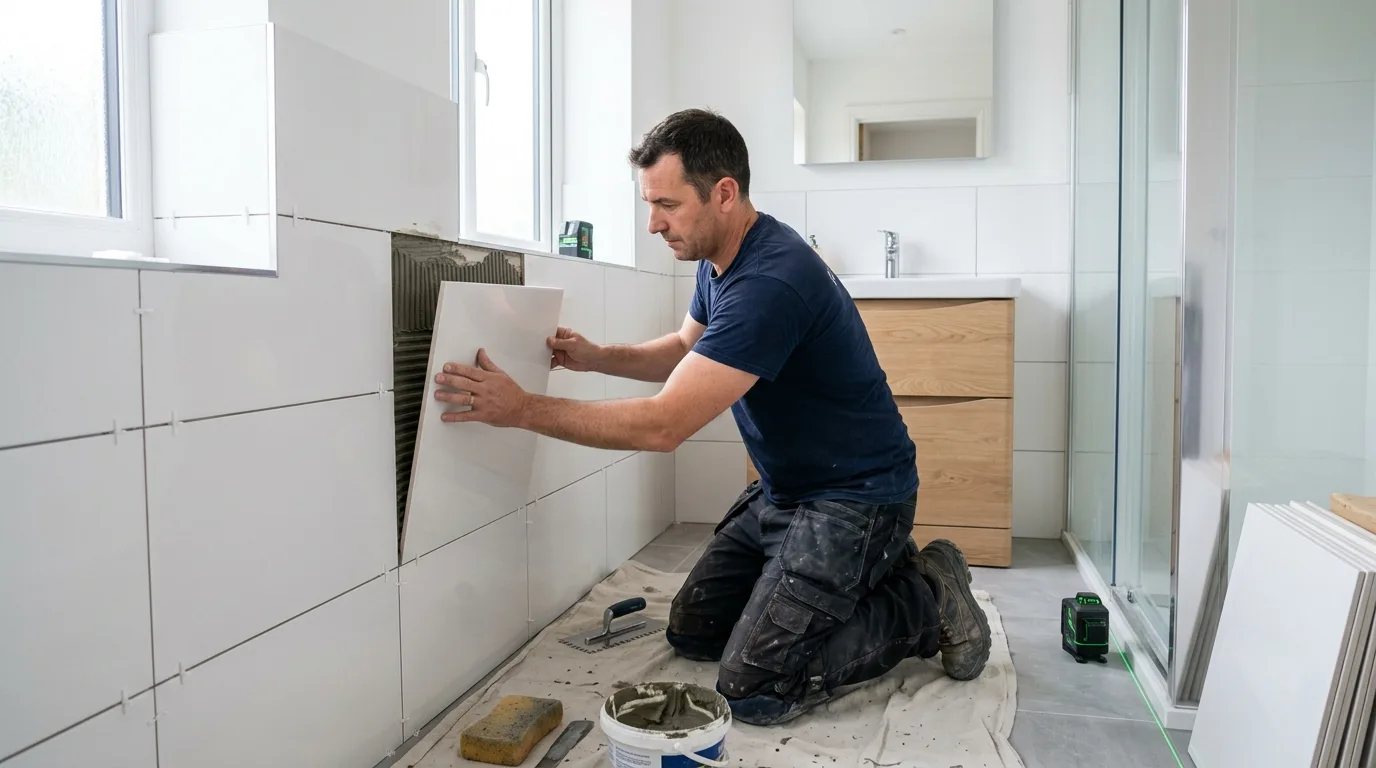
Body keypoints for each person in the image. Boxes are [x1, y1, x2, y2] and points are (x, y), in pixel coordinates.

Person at [432, 108, 991, 726]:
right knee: (695, 632)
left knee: (755, 685)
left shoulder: (772, 283)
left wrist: (521, 409)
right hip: (786, 493)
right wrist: (595, 357)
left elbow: (662, 426)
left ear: (723, 193)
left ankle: (926, 595)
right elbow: (683, 349)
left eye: (666, 204)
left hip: (857, 499)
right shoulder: (720, 257)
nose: (653, 224)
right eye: (650, 205)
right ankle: (823, 587)